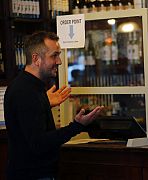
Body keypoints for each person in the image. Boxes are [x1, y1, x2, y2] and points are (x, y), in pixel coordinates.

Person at [4, 31, 103, 180]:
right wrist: (76, 125)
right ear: (36, 59)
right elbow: (39, 143)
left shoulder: (28, 87)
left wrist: (44, 105)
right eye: (54, 55)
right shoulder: (25, 91)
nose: (59, 61)